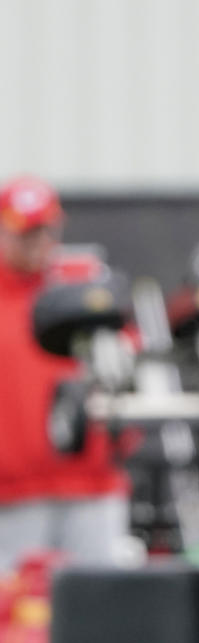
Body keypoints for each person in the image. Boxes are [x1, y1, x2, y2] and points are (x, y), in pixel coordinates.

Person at [0, 176, 129, 572]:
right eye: (26, 232)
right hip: (13, 491)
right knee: (15, 613)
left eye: (45, 230)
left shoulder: (84, 293)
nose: (39, 241)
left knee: (102, 606)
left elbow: (125, 371)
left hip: (89, 482)